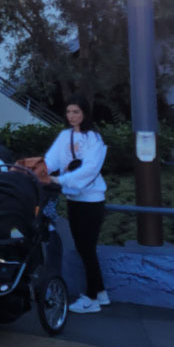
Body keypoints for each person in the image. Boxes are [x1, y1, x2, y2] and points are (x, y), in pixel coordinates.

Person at [45, 96, 110, 314]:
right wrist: (37, 169)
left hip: (91, 200)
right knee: (84, 248)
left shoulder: (94, 139)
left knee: (86, 249)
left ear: (85, 113)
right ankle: (100, 292)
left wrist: (60, 180)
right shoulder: (65, 135)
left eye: (76, 112)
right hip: (73, 198)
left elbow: (90, 168)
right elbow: (51, 159)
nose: (72, 116)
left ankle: (91, 298)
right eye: (69, 112)